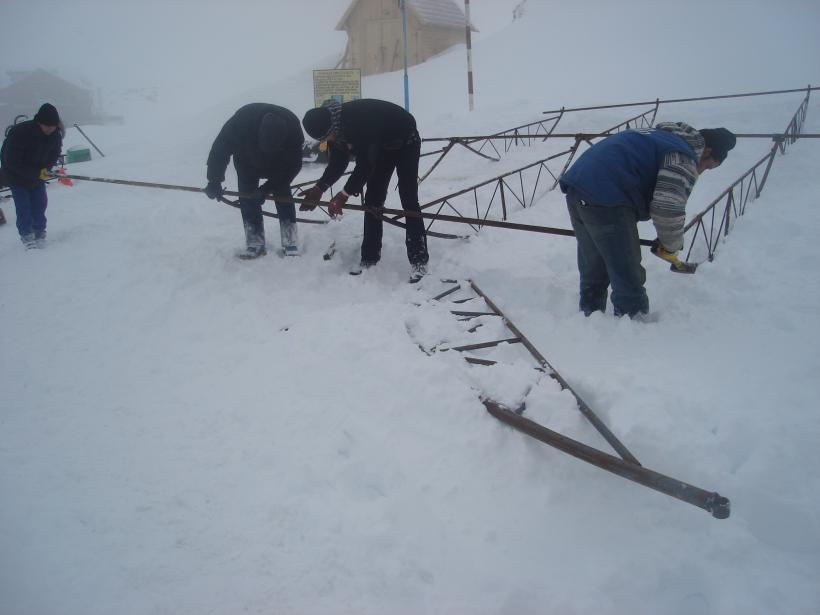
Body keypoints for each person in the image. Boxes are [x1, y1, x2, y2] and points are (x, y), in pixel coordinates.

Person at [559, 122, 736, 317]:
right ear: (707, 151)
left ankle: (589, 315)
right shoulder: (683, 155)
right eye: (707, 166)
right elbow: (667, 207)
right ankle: (633, 323)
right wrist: (671, 246)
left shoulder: (661, 136)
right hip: (608, 196)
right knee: (626, 270)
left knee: (593, 261)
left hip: (577, 185)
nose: (700, 171)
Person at [299, 98, 429, 282]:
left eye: (327, 137)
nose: (327, 141)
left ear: (331, 129)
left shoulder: (359, 121)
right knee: (373, 200)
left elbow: (365, 166)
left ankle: (419, 261)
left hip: (406, 142)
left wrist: (343, 195)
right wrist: (320, 187)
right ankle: (369, 258)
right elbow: (338, 162)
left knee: (408, 197)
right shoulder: (333, 126)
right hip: (381, 146)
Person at [205, 103, 304, 259]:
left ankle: (290, 239)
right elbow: (220, 150)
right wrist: (214, 180)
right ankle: (255, 242)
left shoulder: (293, 127)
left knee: (283, 196)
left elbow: (293, 166)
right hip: (247, 162)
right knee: (248, 198)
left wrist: (268, 188)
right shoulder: (240, 122)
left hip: (279, 165)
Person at [0, 103, 63, 249]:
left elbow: (54, 154)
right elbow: (11, 161)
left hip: (37, 175)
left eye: (52, 126)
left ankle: (39, 233)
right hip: (16, 175)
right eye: (46, 125)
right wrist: (36, 173)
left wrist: (46, 168)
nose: (49, 129)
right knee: (24, 207)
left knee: (40, 204)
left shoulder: (55, 135)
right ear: (39, 122)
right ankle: (27, 235)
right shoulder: (20, 133)